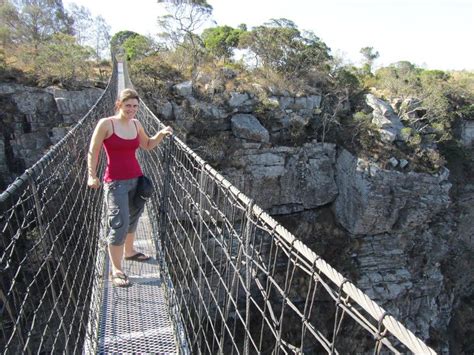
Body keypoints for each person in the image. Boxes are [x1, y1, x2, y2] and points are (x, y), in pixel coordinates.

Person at [87, 88, 173, 287]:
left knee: (133, 218)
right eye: (128, 105)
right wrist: (92, 175)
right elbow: (94, 150)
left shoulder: (136, 124)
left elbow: (148, 145)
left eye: (135, 106)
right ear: (119, 104)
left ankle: (130, 252)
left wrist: (160, 134)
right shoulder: (106, 124)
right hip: (115, 182)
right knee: (119, 224)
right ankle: (116, 270)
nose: (132, 109)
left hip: (136, 179)